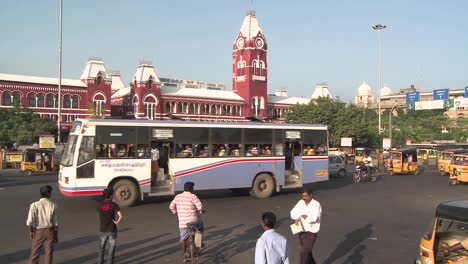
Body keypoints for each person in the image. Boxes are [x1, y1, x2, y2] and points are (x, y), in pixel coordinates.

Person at [169, 182, 204, 260]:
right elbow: (200, 207)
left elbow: (171, 206)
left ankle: (184, 254)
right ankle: (198, 244)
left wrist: (175, 212)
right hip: (194, 221)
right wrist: (201, 211)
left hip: (183, 223)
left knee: (184, 239)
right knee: (200, 228)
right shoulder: (193, 196)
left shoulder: (177, 197)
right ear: (191, 189)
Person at [26, 185, 59, 264]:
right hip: (49, 232)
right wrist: (55, 235)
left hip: (38, 232)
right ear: (48, 194)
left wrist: (31, 231)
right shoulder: (53, 205)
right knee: (48, 253)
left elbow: (30, 221)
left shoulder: (34, 205)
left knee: (35, 253)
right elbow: (56, 223)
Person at [290, 189, 322, 264]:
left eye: (306, 196)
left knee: (304, 252)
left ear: (311, 195)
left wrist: (305, 217)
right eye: (303, 196)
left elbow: (315, 218)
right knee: (307, 251)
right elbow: (292, 213)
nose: (304, 198)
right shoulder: (301, 202)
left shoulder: (316, 204)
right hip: (301, 230)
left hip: (311, 232)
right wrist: (300, 216)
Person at [97, 187, 123, 264]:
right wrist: (117, 222)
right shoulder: (114, 205)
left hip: (102, 229)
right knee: (111, 251)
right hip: (112, 230)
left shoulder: (99, 205)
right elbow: (121, 216)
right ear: (111, 195)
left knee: (101, 249)